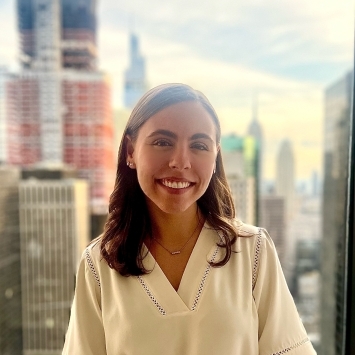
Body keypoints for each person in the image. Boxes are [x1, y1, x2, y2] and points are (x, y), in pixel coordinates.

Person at [62, 83, 317, 355]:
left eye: (199, 145)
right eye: (162, 142)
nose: (180, 161)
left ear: (216, 156)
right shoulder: (99, 266)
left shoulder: (253, 252)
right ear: (130, 151)